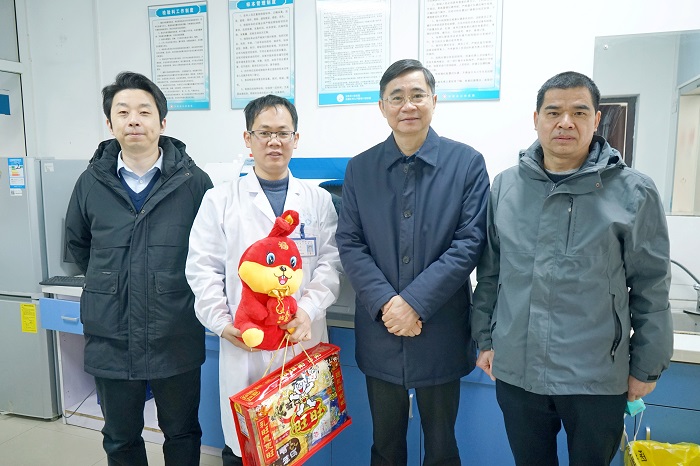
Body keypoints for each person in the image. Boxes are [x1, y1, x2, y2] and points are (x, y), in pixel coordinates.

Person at [471, 71, 674, 466]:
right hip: (518, 373)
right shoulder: (506, 187)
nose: (565, 122)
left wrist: (647, 366)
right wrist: (485, 339)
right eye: (554, 112)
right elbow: (490, 274)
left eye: (579, 112)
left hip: (596, 378)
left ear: (596, 120)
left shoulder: (633, 191)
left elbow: (651, 286)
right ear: (536, 119)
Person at [335, 59, 490, 465]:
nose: (408, 105)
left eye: (417, 95)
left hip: (440, 329)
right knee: (385, 446)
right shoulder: (360, 168)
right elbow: (350, 242)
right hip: (381, 328)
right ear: (382, 106)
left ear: (434, 101)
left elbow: (469, 242)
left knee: (441, 447)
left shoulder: (467, 164)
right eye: (397, 97)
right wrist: (389, 304)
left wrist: (414, 303)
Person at [64, 71, 213, 466]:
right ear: (109, 123)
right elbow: (79, 246)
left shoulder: (195, 183)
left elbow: (211, 252)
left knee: (182, 433)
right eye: (123, 112)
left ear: (162, 122)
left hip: (175, 331)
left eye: (144, 112)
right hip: (111, 334)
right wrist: (113, 280)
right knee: (120, 438)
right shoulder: (90, 182)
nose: (134, 120)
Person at [185, 94, 341, 466]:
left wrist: (307, 310)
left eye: (283, 133)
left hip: (300, 338)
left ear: (296, 139)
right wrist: (222, 323)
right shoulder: (220, 200)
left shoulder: (318, 200)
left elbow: (331, 264)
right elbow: (202, 269)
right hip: (245, 341)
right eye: (264, 132)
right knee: (247, 445)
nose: (274, 141)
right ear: (248, 138)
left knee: (296, 437)